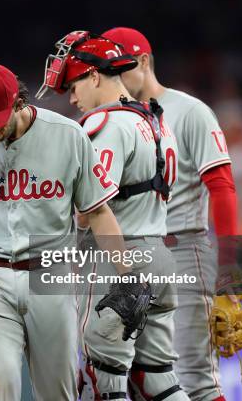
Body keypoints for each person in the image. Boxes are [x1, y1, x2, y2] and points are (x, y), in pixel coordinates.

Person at [0, 63, 129, 401]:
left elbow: (97, 210)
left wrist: (128, 274)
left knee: (59, 393)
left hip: (50, 274)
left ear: (17, 103)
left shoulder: (67, 134)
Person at [36, 31, 189, 401]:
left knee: (103, 380)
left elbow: (90, 212)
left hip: (116, 262)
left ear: (93, 76)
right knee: (159, 380)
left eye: (73, 86)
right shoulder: (156, 120)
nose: (72, 98)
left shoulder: (102, 125)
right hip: (159, 255)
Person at [103, 27, 237, 401]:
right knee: (135, 379)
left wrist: (229, 270)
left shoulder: (190, 111)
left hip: (182, 249)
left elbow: (223, 188)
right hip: (129, 256)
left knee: (195, 380)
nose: (114, 77)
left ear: (144, 61)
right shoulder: (113, 117)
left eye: (122, 67)